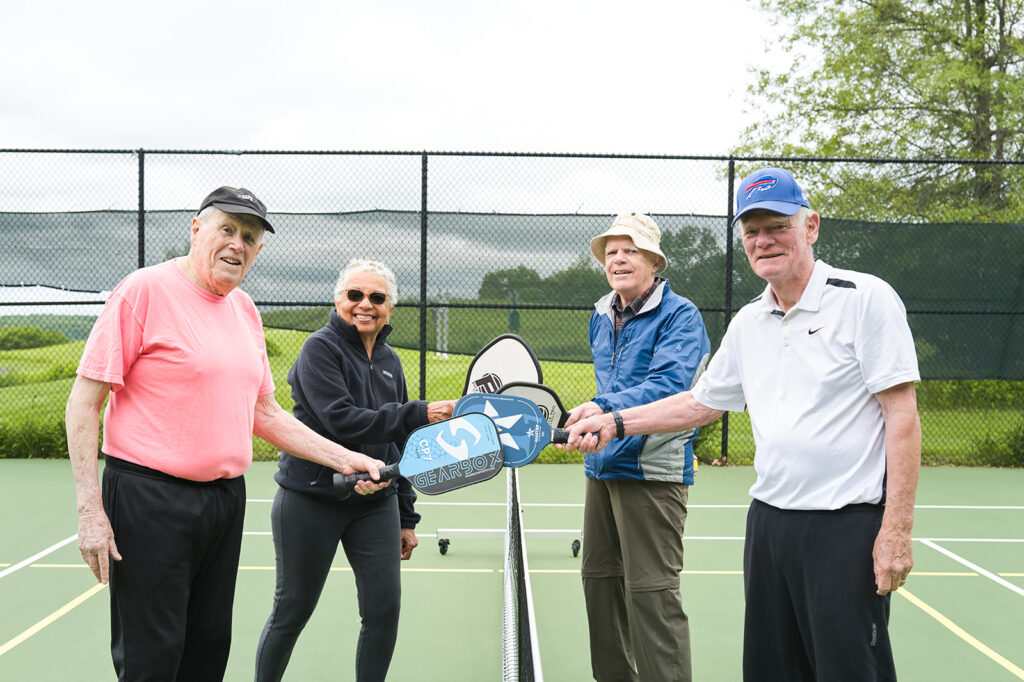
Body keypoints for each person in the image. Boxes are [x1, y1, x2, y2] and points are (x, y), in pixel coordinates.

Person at [566, 168, 922, 682]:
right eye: (752, 231)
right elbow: (699, 403)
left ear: (811, 226)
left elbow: (902, 416)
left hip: (845, 525)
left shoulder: (865, 298)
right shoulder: (749, 321)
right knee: (770, 669)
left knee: (848, 669)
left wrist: (897, 530)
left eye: (776, 225)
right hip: (769, 524)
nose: (763, 240)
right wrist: (613, 421)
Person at [66, 187, 385, 682]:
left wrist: (346, 458)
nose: (237, 244)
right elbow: (85, 403)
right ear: (197, 230)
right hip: (149, 498)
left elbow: (266, 413)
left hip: (223, 502)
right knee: (152, 658)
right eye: (227, 230)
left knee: (207, 652)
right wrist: (91, 510)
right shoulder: (142, 291)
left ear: (259, 251)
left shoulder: (244, 311)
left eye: (250, 237)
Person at [255, 259, 456, 682]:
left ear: (390, 309)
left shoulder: (390, 361)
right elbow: (341, 420)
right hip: (310, 501)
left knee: (384, 611)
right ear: (338, 299)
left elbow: (399, 446)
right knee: (293, 610)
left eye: (377, 298)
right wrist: (418, 412)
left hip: (375, 506)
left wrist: (405, 516)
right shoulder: (319, 349)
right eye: (355, 295)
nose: (365, 304)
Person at [563, 212, 711, 682]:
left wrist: (602, 408)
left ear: (653, 260)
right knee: (599, 586)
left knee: (651, 596)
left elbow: (669, 386)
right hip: (602, 469)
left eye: (631, 250)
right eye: (611, 252)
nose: (619, 258)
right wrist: (595, 420)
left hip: (653, 472)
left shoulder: (681, 315)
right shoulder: (600, 314)